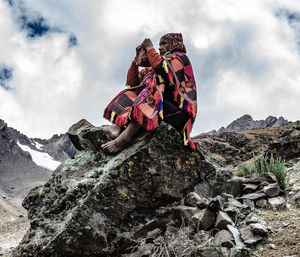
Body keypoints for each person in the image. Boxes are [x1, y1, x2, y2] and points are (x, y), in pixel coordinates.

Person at [101, 33, 197, 153]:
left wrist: (149, 47)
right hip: (161, 107)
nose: (160, 47)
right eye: (159, 45)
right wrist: (137, 58)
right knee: (132, 93)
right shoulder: (151, 70)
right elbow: (132, 82)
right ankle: (116, 128)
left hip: (178, 112)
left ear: (174, 44)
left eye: (164, 43)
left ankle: (123, 139)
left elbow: (160, 66)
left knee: (151, 93)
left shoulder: (179, 57)